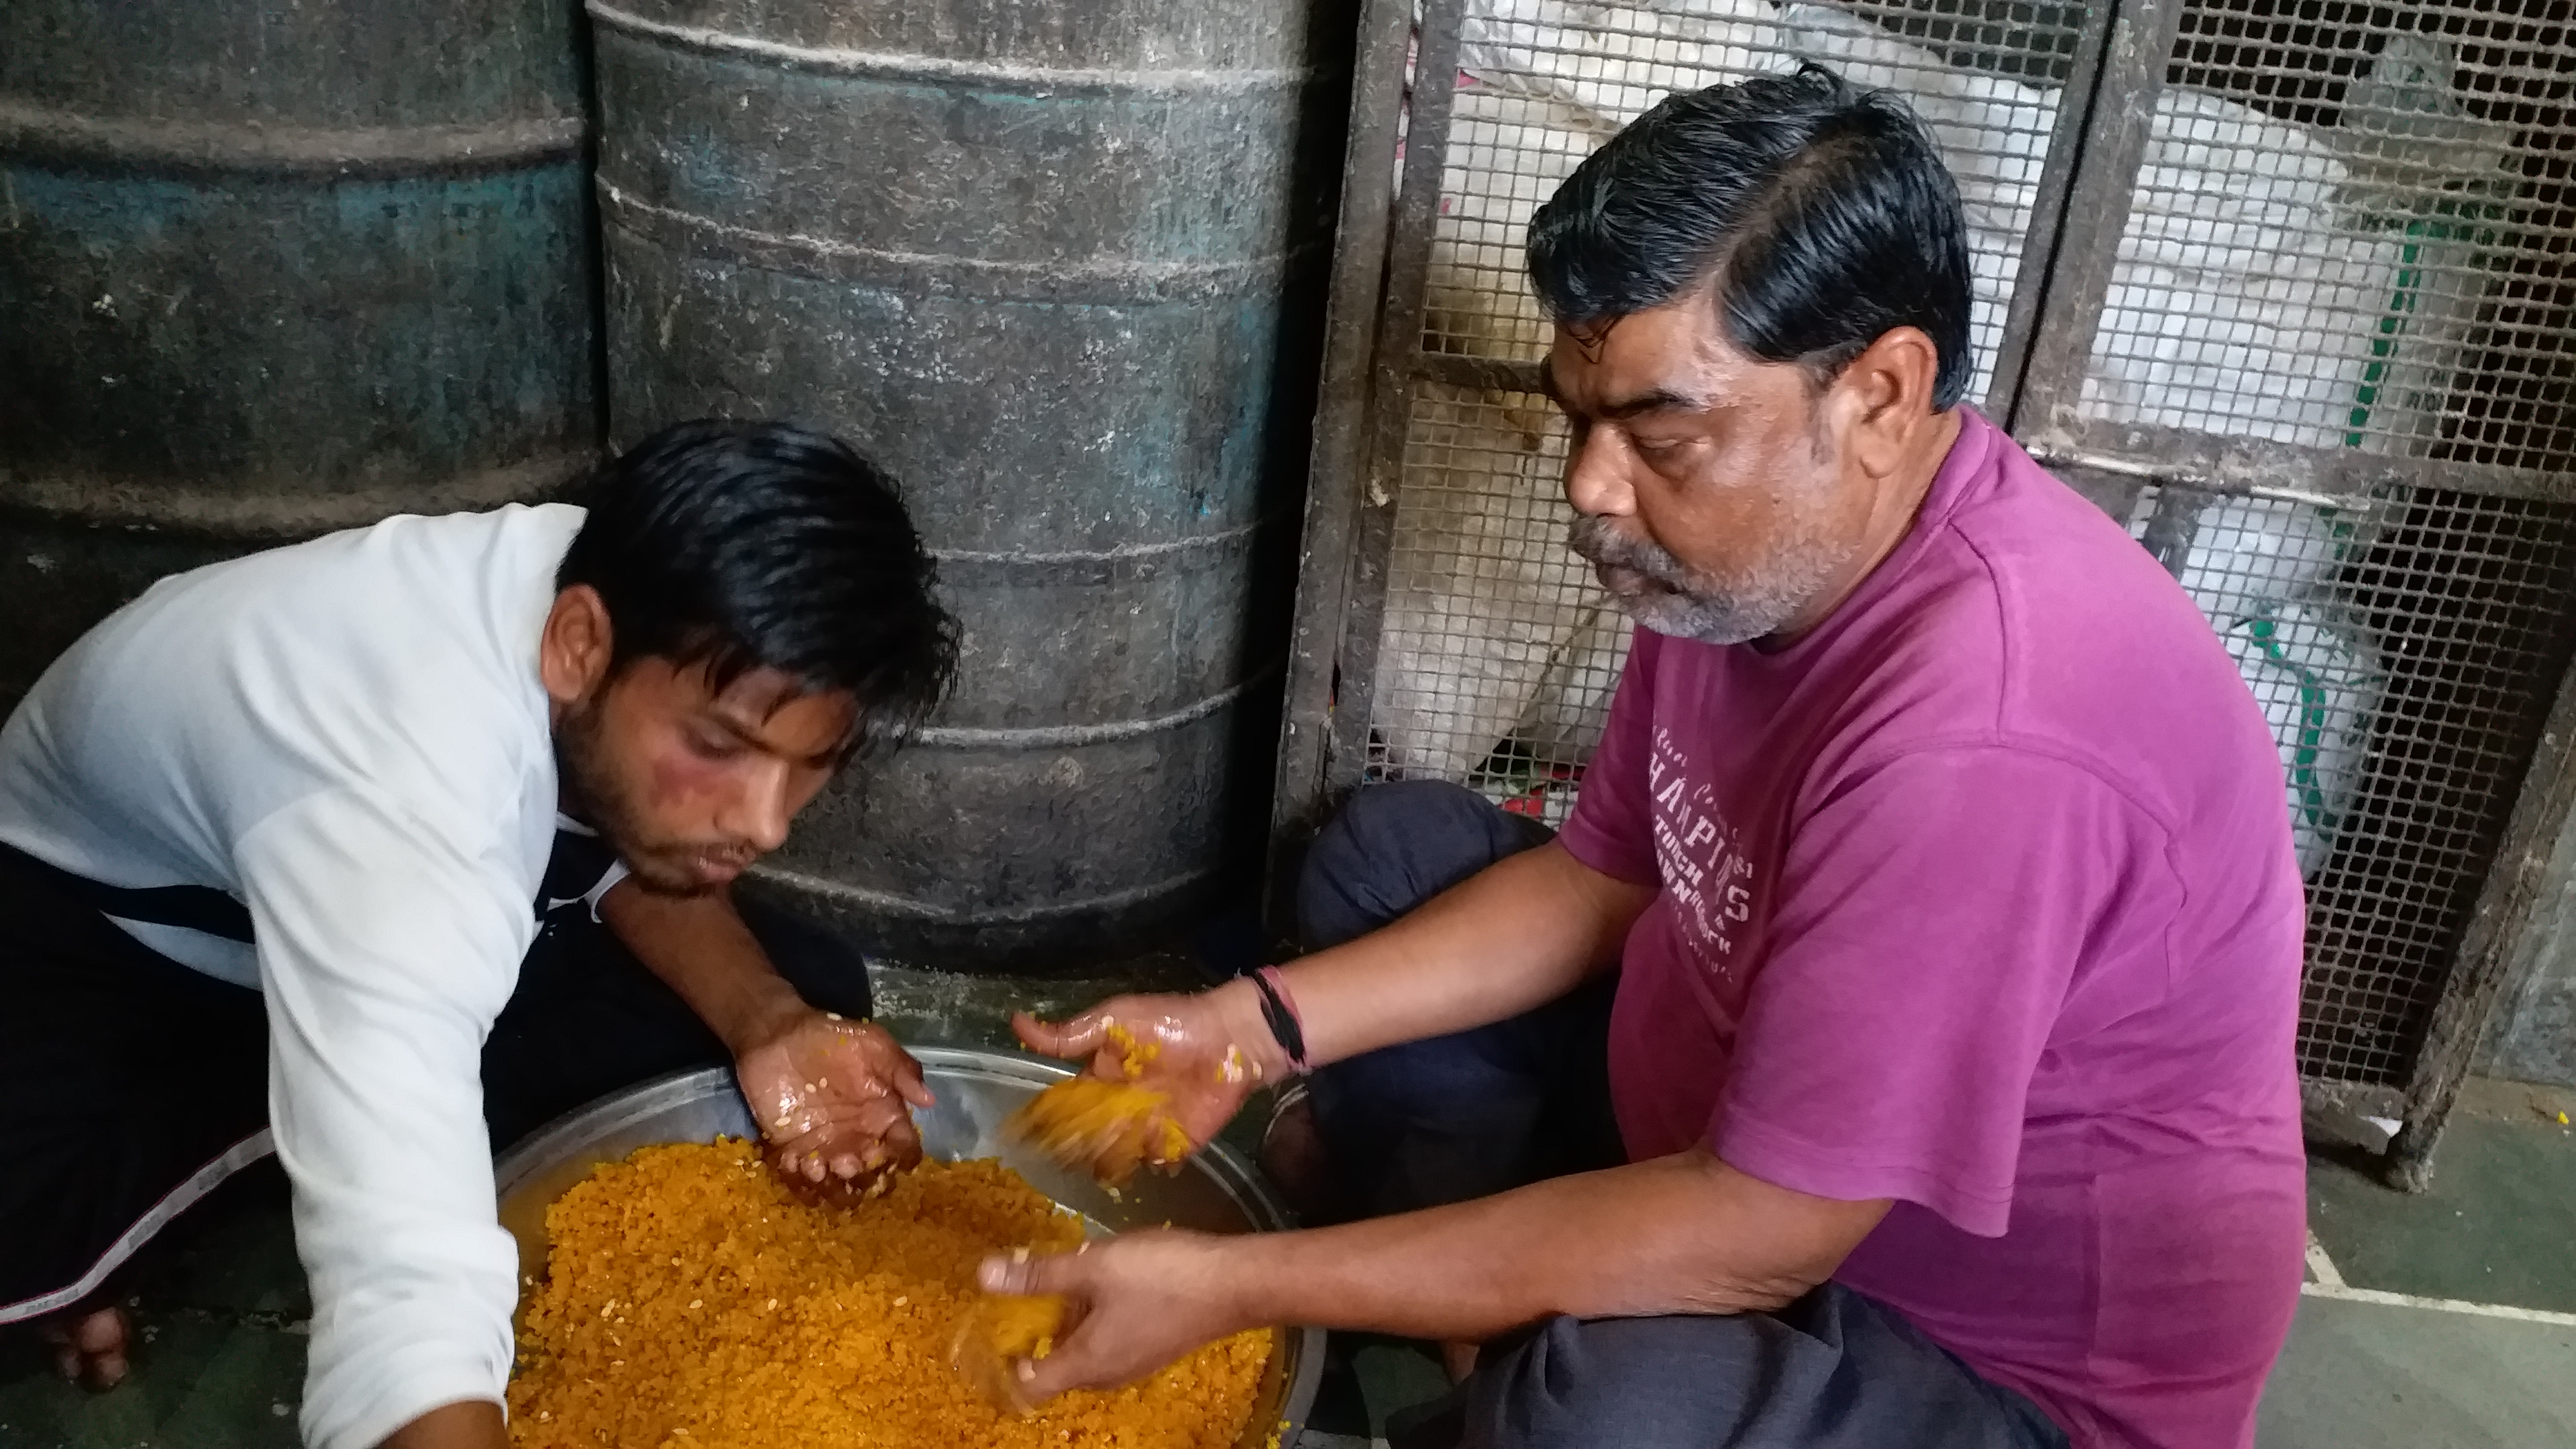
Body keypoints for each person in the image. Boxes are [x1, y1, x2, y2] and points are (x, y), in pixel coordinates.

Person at [975, 68, 2308, 1449]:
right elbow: (1601, 881)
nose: (1592, 489)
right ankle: (1491, 1303)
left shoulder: (1992, 739)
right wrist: (1248, 1032)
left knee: (1604, 1419)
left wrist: (1233, 1290)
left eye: (1660, 433)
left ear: (1881, 394)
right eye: (1578, 418)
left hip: (1951, 1351)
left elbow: (1759, 1236)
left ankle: (1508, 1341)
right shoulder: (1746, 564)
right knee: (1386, 859)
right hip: (1708, 1118)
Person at [0, 421, 956, 1449]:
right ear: (578, 647)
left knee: (804, 983)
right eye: (720, 748)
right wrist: (395, 1176)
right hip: (90, 943)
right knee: (33, 1257)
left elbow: (604, 831)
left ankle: (341, 1091)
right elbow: (407, 1289)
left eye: (808, 765)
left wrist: (770, 1023)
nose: (767, 825)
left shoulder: (622, 589)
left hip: (339, 895)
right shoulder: (405, 809)